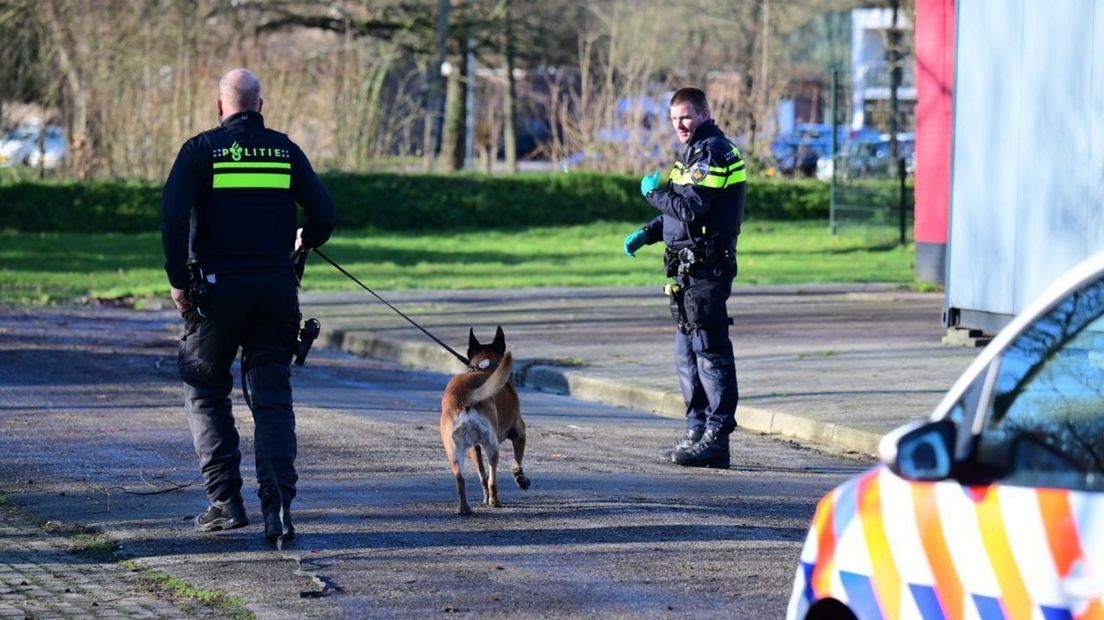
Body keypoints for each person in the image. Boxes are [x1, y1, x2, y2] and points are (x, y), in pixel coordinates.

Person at [161, 68, 337, 541]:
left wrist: (179, 280)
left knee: (205, 390)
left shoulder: (199, 151)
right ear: (260, 105)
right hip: (274, 292)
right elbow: (325, 212)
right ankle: (278, 509)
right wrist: (306, 240)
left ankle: (226, 502)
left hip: (216, 294)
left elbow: (173, 217)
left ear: (221, 108)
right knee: (273, 403)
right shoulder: (285, 150)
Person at [622, 87, 746, 468]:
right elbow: (679, 215)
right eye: (674, 118)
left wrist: (653, 194)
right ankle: (696, 430)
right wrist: (650, 231)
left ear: (704, 113)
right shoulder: (692, 153)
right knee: (686, 357)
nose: (679, 124)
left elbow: (692, 207)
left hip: (707, 269)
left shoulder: (713, 152)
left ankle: (716, 436)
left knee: (710, 353)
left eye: (686, 116)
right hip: (686, 271)